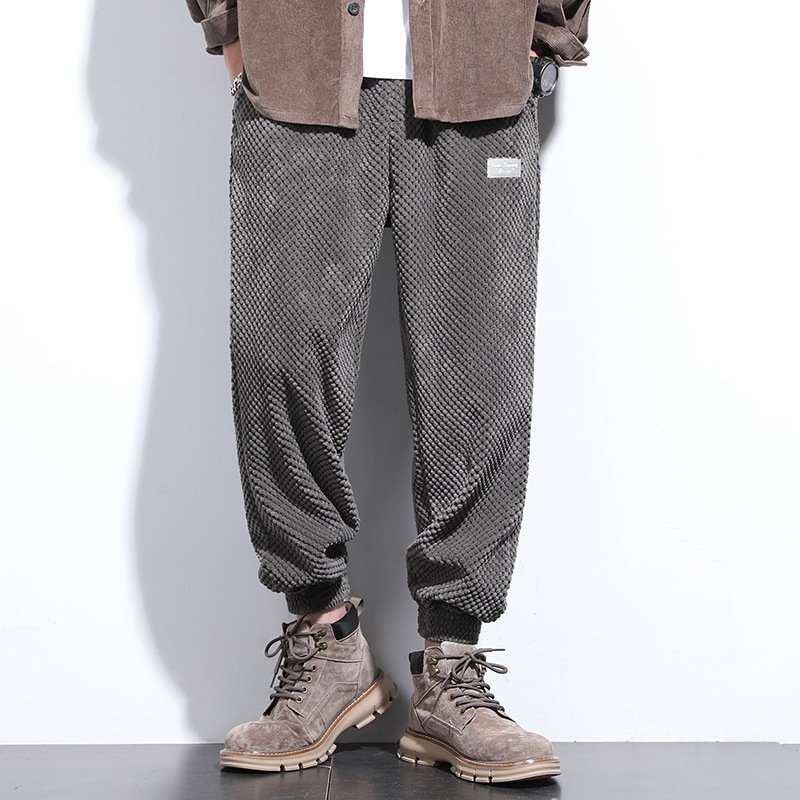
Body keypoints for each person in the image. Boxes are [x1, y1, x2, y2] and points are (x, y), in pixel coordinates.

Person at [184, 0, 591, 783]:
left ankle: (452, 666)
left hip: (479, 71)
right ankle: (325, 638)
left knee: (481, 373)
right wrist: (233, 31)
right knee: (278, 354)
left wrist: (546, 32)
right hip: (295, 71)